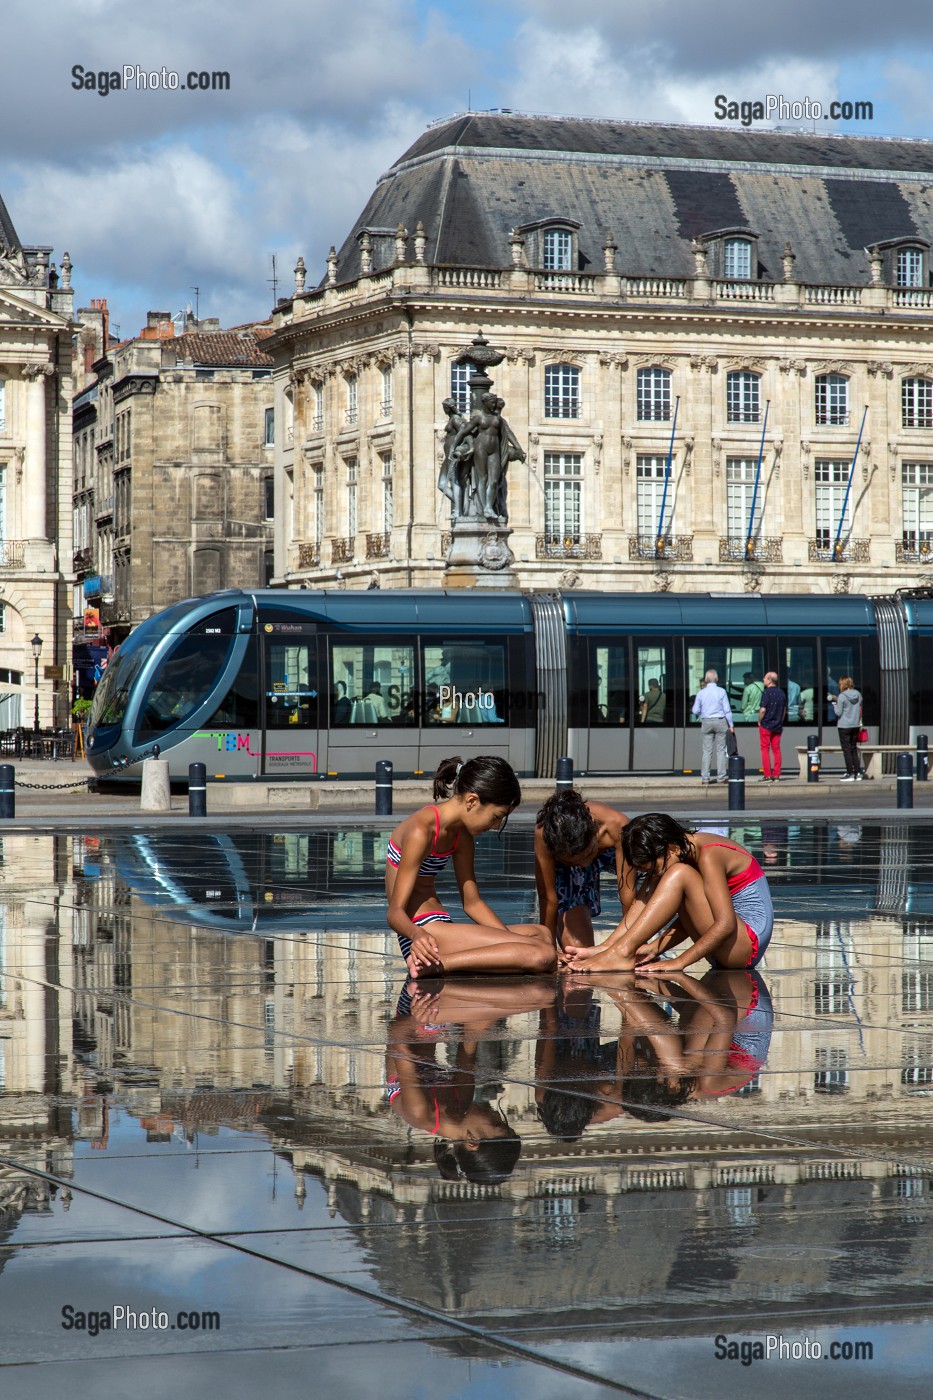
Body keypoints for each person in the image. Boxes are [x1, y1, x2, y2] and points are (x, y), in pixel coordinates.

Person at [385, 755, 556, 978]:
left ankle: (449, 962)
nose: (495, 826)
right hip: (421, 934)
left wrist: (511, 941)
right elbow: (395, 912)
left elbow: (472, 903)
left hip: (442, 925)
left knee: (541, 934)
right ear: (472, 801)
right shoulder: (421, 831)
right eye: (496, 817)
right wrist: (417, 936)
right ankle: (436, 965)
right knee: (542, 954)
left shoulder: (460, 836)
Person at [385, 979, 554, 1183]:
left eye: (496, 1123)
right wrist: (490, 1011)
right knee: (536, 994)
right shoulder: (461, 1103)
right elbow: (470, 1042)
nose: (494, 1112)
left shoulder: (420, 1113)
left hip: (414, 1011)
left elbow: (396, 1035)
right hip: (438, 1015)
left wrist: (424, 1018)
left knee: (537, 994)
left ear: (472, 1140)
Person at [561, 813, 773, 974]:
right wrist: (653, 948)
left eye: (652, 865)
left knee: (677, 873)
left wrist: (678, 962)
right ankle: (614, 949)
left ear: (672, 848)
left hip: (744, 948)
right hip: (728, 946)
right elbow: (695, 916)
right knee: (667, 873)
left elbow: (724, 924)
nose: (654, 874)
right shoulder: (680, 852)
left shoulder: (709, 855)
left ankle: (621, 952)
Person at [534, 788, 628, 949]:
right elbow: (547, 897)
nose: (584, 863)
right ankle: (577, 860)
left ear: (594, 830)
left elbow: (627, 892)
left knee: (655, 864)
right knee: (576, 951)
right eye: (574, 862)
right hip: (572, 857)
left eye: (588, 855)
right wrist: (547, 946)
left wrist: (631, 944)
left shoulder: (617, 826)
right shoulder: (544, 834)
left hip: (611, 851)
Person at [691, 669, 735, 784]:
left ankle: (705, 778)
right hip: (720, 722)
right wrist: (731, 725)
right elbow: (727, 710)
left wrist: (703, 713)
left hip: (706, 722)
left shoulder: (701, 693)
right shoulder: (721, 691)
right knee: (721, 750)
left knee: (707, 751)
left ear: (706, 680)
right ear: (717, 679)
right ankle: (721, 777)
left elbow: (695, 710)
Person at [757, 672, 787, 783]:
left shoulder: (766, 693)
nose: (763, 680)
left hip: (766, 725)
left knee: (765, 749)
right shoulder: (781, 693)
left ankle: (767, 775)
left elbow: (763, 710)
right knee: (776, 750)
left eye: (764, 678)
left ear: (769, 680)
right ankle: (777, 774)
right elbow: (784, 710)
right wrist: (780, 721)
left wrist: (759, 721)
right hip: (777, 726)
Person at [833, 675, 864, 781]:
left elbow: (838, 712)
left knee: (846, 750)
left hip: (844, 726)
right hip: (855, 726)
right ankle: (858, 772)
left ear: (843, 684)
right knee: (854, 749)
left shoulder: (842, 696)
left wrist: (834, 705)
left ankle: (850, 773)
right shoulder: (858, 694)